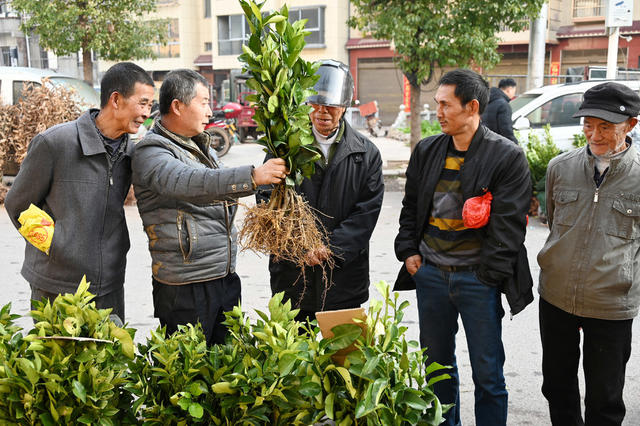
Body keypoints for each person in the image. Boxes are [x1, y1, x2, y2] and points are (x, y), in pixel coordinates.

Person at [394, 69, 532, 426]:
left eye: (444, 105)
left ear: (471, 107)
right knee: (437, 371)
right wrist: (410, 253)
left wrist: (488, 277)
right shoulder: (427, 150)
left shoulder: (506, 157)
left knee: (488, 375)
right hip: (431, 278)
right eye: (436, 104)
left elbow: (510, 227)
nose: (436, 112)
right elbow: (411, 209)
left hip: (478, 281)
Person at [131, 69, 287, 345]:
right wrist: (251, 176)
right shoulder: (151, 152)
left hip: (223, 276)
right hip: (185, 285)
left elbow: (219, 186)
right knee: (188, 375)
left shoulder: (199, 145)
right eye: (203, 102)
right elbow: (190, 182)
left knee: (227, 366)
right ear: (178, 106)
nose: (210, 111)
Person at [5, 62, 155, 322]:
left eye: (150, 106)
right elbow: (18, 205)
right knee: (58, 361)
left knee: (107, 359)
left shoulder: (131, 153)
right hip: (55, 285)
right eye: (142, 103)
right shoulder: (56, 143)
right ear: (116, 100)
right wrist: (56, 246)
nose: (146, 113)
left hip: (108, 284)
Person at [537, 82, 640, 426]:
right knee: (556, 386)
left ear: (631, 125)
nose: (594, 135)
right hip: (556, 297)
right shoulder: (559, 168)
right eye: (588, 124)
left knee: (605, 397)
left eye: (606, 127)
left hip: (611, 304)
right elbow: (553, 223)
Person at [258, 59, 384, 322]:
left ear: (345, 105)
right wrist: (299, 247)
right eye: (315, 103)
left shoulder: (365, 153)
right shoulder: (284, 148)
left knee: (341, 358)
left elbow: (366, 213)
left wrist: (329, 247)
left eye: (331, 105)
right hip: (293, 279)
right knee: (294, 357)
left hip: (344, 281)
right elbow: (267, 199)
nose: (322, 112)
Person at [481, 77, 518, 143]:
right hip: (497, 145)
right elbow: (506, 130)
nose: (514, 94)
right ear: (509, 89)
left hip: (484, 143)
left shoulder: (486, 101)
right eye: (514, 91)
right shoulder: (503, 105)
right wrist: (515, 145)